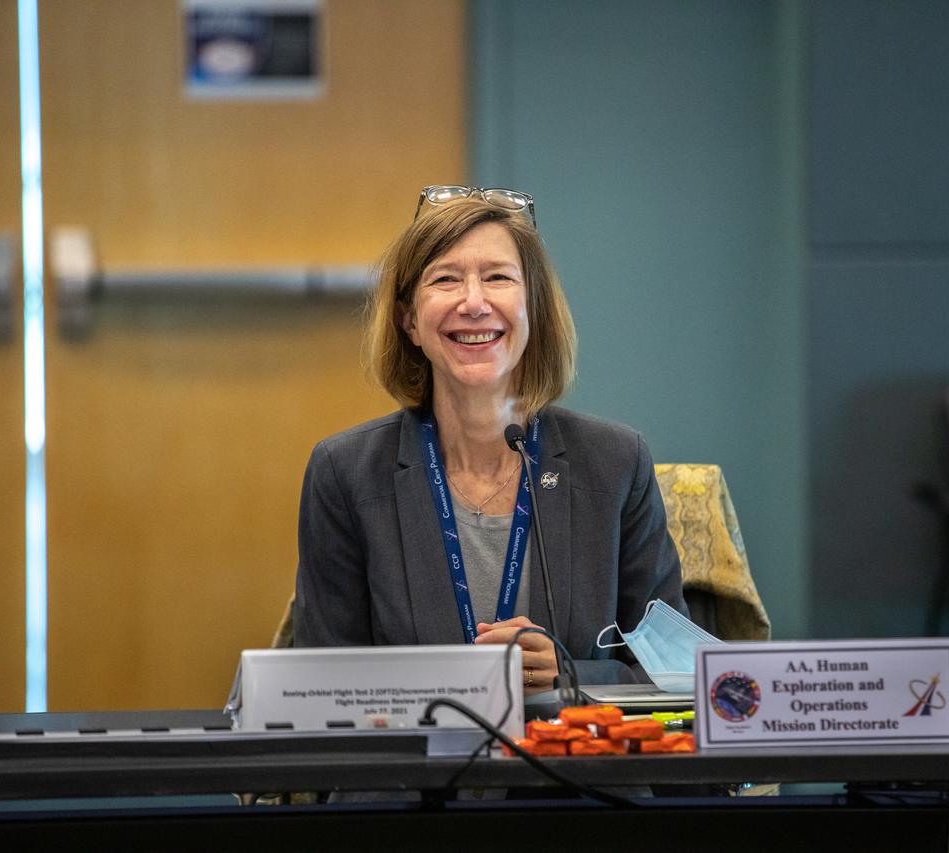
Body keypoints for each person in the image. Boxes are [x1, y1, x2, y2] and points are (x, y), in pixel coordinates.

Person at [293, 185, 686, 693]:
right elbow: (322, 684)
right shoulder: (345, 472)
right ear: (409, 320)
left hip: (576, 767)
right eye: (445, 279)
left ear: (534, 310)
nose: (473, 303)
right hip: (419, 767)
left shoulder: (615, 463)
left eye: (498, 277)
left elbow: (677, 675)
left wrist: (568, 679)